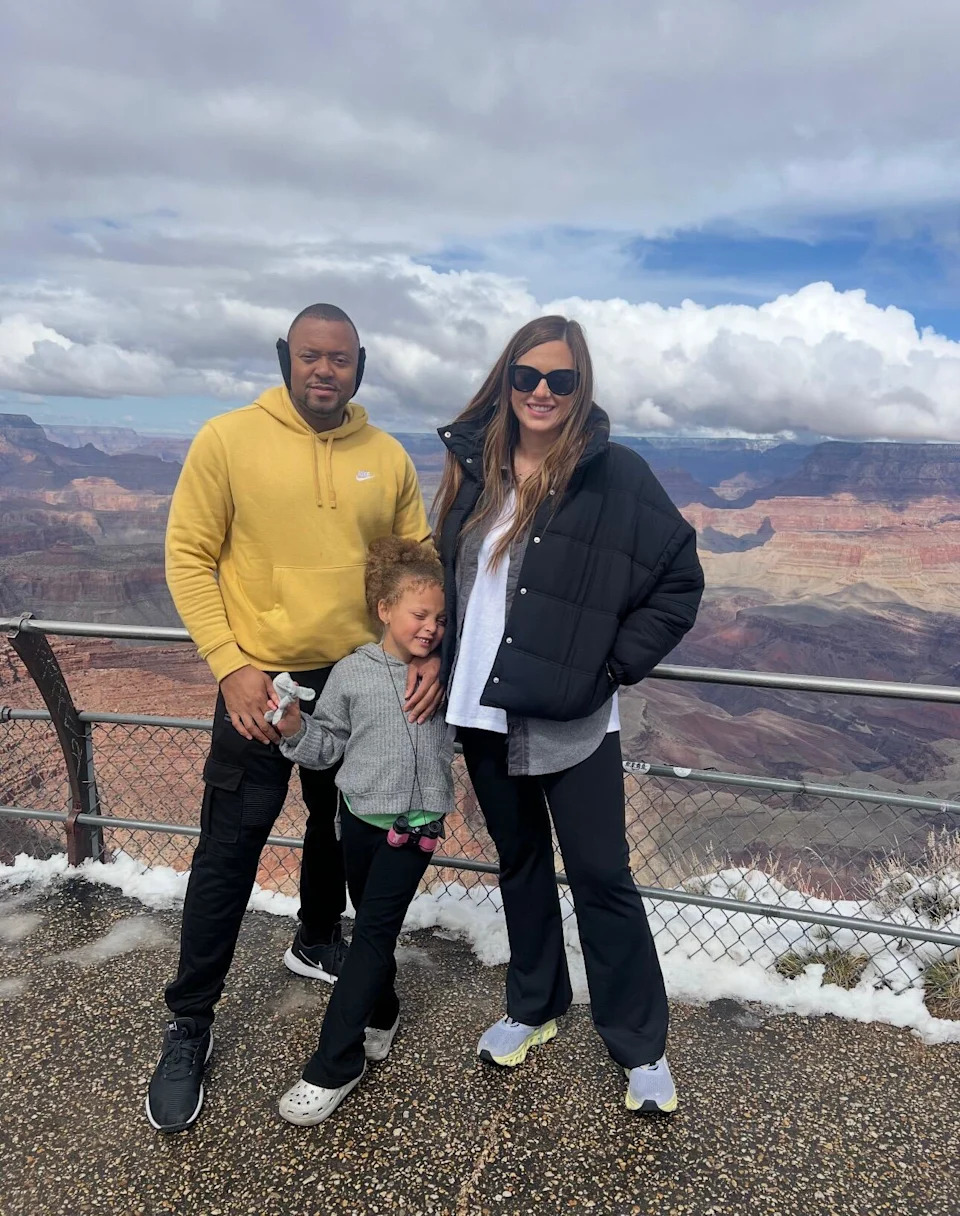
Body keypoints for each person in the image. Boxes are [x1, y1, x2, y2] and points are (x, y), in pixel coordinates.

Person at [147, 304, 441, 1134]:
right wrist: (231, 666)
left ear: (360, 365)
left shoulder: (384, 457)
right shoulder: (227, 440)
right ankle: (189, 1022)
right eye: (310, 356)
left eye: (340, 359)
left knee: (339, 827)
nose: (325, 370)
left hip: (356, 679)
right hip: (259, 682)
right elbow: (188, 554)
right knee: (232, 845)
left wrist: (425, 650)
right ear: (285, 357)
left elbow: (417, 562)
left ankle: (316, 938)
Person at [433, 315, 703, 1114]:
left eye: (561, 379)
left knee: (600, 878)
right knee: (518, 866)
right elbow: (446, 579)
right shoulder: (475, 469)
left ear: (582, 387)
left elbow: (679, 582)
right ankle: (535, 1006)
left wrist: (612, 668)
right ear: (506, 381)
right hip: (482, 709)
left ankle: (641, 1049)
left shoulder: (614, 475)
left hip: (575, 721)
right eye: (527, 376)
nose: (542, 392)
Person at [271, 537, 453, 1126]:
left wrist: (447, 667)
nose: (430, 628)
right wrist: (295, 727)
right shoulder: (351, 673)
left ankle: (334, 1065)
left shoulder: (441, 675)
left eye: (440, 618)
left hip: (415, 825)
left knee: (371, 935)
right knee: (369, 919)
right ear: (385, 609)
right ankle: (385, 1010)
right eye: (419, 615)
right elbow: (325, 750)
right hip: (358, 821)